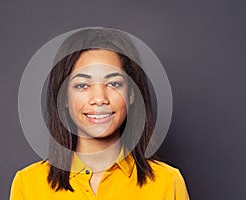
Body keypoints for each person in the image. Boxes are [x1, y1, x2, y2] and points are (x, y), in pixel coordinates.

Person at [10, 27, 190, 199]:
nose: (99, 98)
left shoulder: (167, 182)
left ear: (132, 93)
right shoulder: (29, 184)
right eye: (82, 85)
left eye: (113, 84)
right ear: (63, 97)